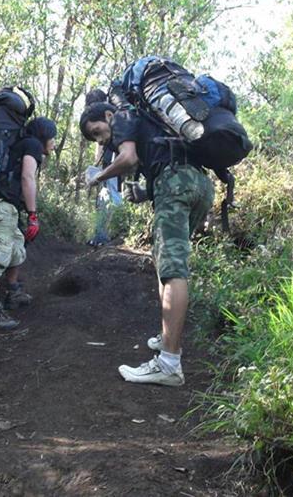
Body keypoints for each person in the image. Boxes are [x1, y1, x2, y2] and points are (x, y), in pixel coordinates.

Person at [79, 93, 214, 387]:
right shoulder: (152, 121)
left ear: (108, 117)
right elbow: (165, 159)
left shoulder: (124, 116)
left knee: (173, 269)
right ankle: (167, 337)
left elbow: (128, 159)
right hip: (200, 185)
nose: (101, 141)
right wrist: (143, 193)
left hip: (176, 185)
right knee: (166, 262)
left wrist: (97, 177)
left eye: (98, 132)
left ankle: (169, 363)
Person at [0, 116, 57, 331]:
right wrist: (33, 215)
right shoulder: (32, 145)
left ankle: (13, 291)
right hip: (1, 206)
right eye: (53, 138)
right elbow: (28, 178)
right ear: (44, 135)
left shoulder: (21, 144)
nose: (54, 143)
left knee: (17, 247)